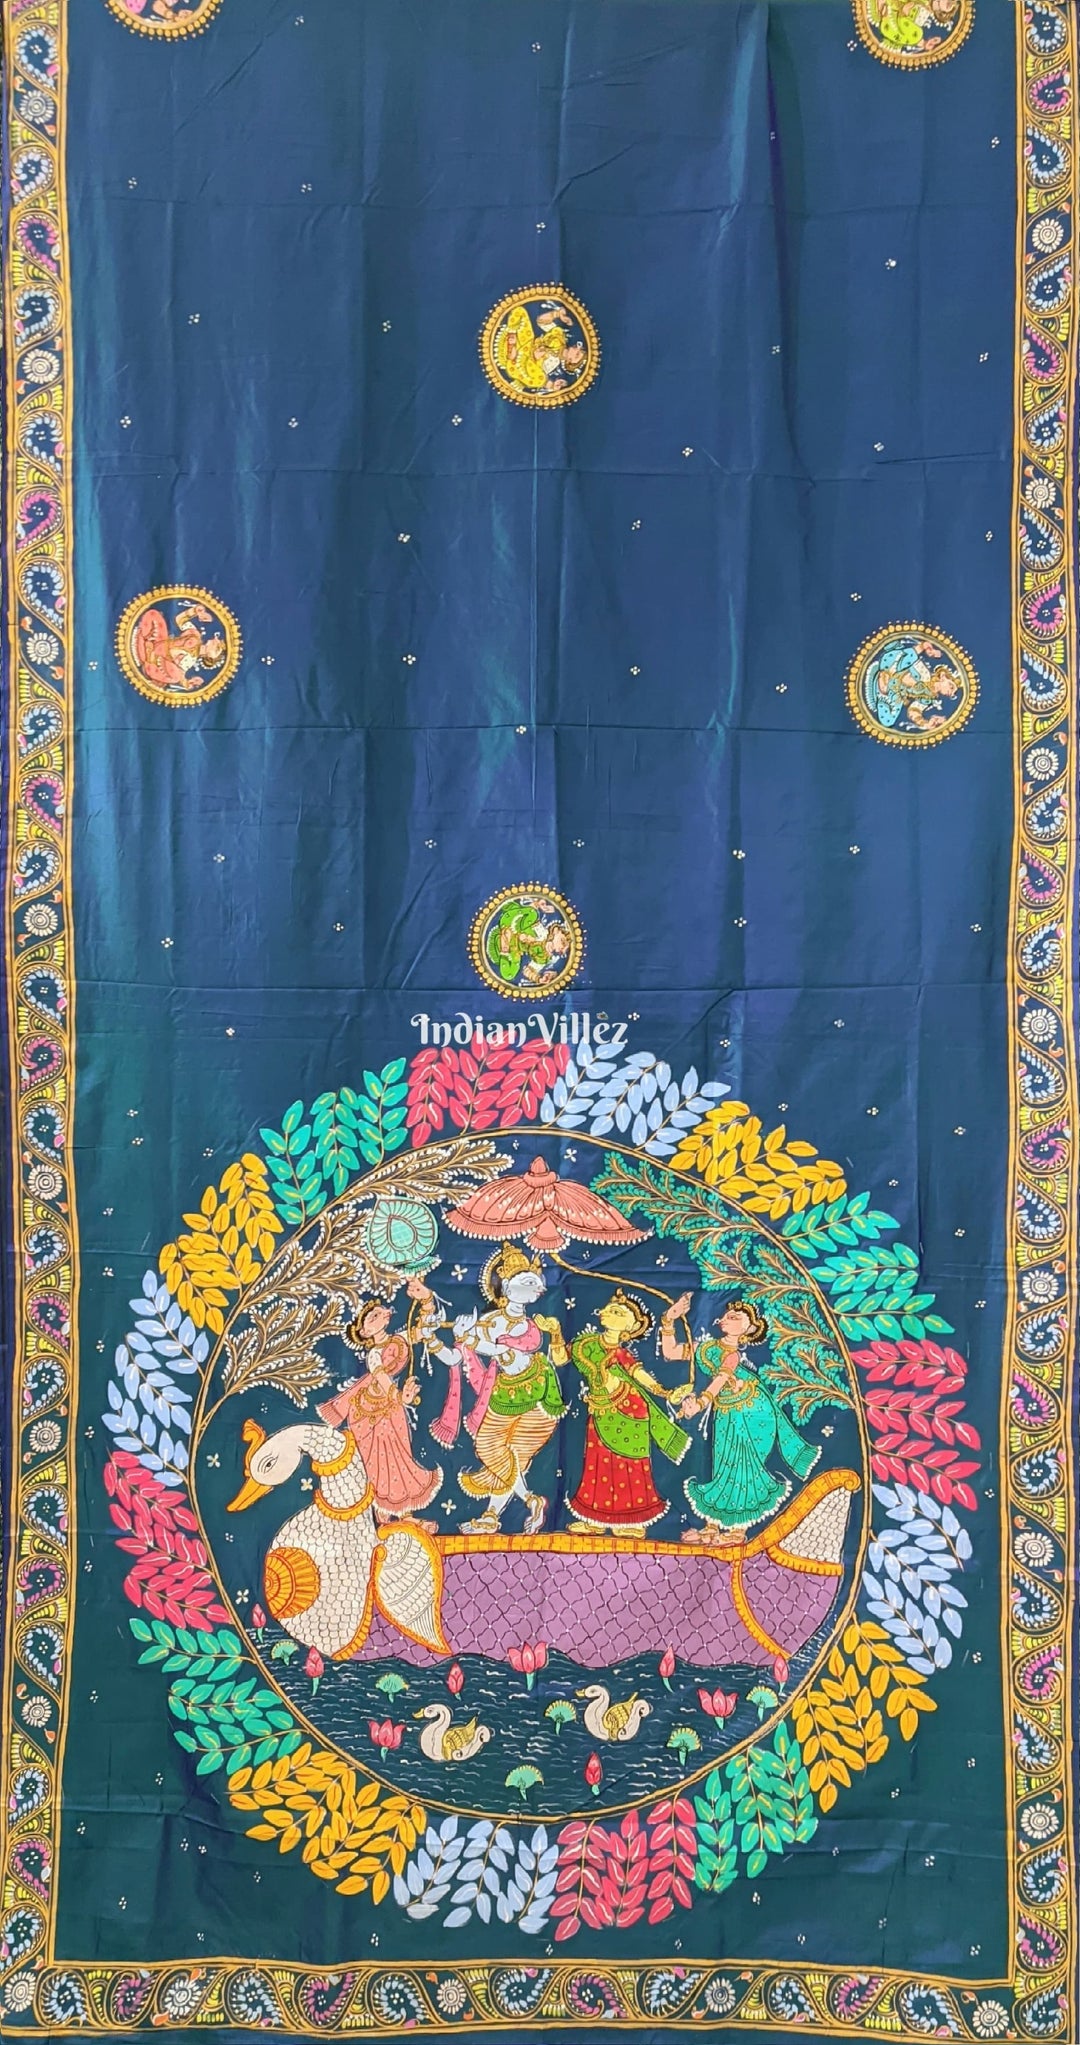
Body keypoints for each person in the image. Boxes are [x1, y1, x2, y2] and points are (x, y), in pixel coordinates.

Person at [424, 1244, 566, 1535]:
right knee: (492, 1449)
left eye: (535, 1282)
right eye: (525, 1281)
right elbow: (453, 1358)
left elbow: (505, 1353)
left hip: (539, 1392)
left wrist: (468, 1336)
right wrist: (432, 1338)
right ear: (505, 1287)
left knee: (514, 1455)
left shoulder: (530, 1327)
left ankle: (491, 1516)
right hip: (505, 1394)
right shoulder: (487, 1323)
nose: (536, 1287)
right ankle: (529, 1501)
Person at [660, 1295, 819, 1543]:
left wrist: (700, 1404)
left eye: (734, 1317)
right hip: (726, 1409)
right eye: (726, 1315)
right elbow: (670, 1352)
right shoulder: (706, 1348)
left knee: (743, 1467)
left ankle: (738, 1530)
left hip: (752, 1410)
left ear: (748, 1329)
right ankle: (712, 1526)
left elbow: (719, 1381)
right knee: (722, 1465)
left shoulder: (732, 1356)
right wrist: (669, 1319)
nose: (725, 1318)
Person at [564, 1292, 689, 1537]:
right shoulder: (585, 1345)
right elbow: (561, 1357)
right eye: (610, 1309)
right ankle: (595, 1519)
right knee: (597, 1465)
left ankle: (631, 1522)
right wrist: (556, 1334)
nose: (609, 1313)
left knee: (630, 1466)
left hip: (631, 1412)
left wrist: (664, 1392)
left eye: (619, 1313)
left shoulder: (622, 1355)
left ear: (630, 1327)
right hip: (601, 1411)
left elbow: (639, 1375)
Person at [317, 1286, 441, 1529]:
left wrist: (426, 1298)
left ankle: (403, 1517)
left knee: (400, 1459)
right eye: (371, 1317)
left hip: (391, 1408)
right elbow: (382, 1378)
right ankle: (384, 1520)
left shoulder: (400, 1338)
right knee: (379, 1465)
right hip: (367, 1413)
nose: (380, 1314)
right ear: (365, 1332)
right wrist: (401, 1397)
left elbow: (425, 1328)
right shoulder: (374, 1354)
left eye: (379, 1312)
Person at [133, 603, 227, 693]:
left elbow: (181, 674)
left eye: (217, 649)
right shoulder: (195, 634)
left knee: (176, 677)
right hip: (159, 641)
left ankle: (149, 658)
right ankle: (144, 639)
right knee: (154, 614)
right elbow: (179, 620)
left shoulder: (191, 659)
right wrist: (194, 611)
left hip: (159, 658)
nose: (216, 642)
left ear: (210, 657)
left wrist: (187, 683)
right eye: (218, 643)